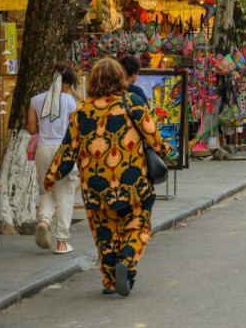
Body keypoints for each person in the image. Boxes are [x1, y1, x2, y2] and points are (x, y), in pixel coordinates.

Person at [45, 58, 169, 296]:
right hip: (133, 183)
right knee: (137, 225)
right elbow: (153, 136)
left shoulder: (82, 110)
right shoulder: (132, 103)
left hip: (96, 185)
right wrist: (165, 152)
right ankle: (127, 261)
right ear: (121, 78)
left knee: (105, 233)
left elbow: (68, 149)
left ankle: (110, 281)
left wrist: (51, 176)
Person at [28, 62, 79, 254]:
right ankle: (62, 242)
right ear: (66, 84)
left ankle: (44, 220)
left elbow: (32, 129)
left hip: (42, 148)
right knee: (65, 194)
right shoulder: (69, 101)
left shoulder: (35, 100)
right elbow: (75, 129)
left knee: (46, 191)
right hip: (63, 149)